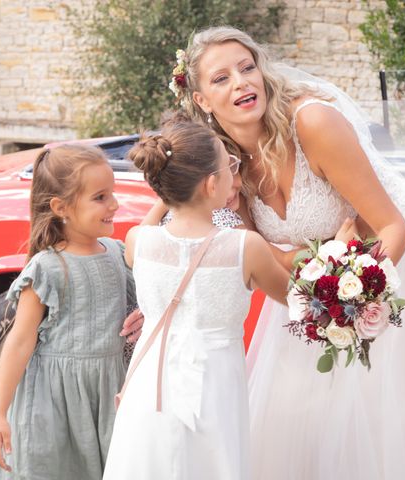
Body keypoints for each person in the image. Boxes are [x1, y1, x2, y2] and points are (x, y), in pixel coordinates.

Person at [176, 25, 405, 479]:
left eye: (247, 68)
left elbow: (394, 226)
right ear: (200, 100)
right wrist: (321, 282)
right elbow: (258, 257)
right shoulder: (225, 163)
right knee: (303, 415)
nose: (241, 83)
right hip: (321, 287)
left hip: (395, 267)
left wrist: (350, 303)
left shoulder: (312, 123)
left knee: (389, 417)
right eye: (221, 79)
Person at [103, 120, 289, 480]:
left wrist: (169, 193)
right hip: (213, 383)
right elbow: (292, 295)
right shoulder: (245, 247)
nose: (234, 175)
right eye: (229, 166)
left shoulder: (138, 242)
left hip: (151, 385)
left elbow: (149, 228)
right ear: (210, 184)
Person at [0, 144, 136, 480]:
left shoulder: (117, 253)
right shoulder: (49, 269)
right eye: (100, 197)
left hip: (109, 391)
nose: (114, 204)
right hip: (56, 403)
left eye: (112, 193)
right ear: (61, 207)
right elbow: (19, 342)